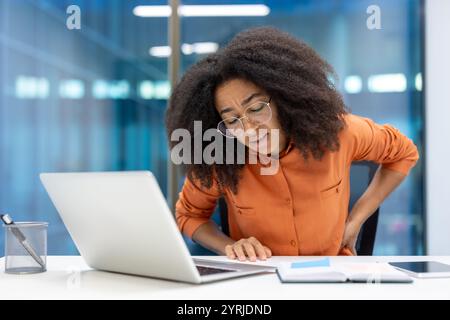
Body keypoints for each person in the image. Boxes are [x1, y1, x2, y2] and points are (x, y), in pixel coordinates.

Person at [166, 27, 419, 261]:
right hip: (258, 283)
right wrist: (229, 246)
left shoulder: (339, 133)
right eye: (232, 120)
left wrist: (356, 220)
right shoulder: (221, 156)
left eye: (256, 108)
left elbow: (403, 153)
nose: (249, 129)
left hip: (332, 276)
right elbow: (189, 215)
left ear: (284, 98)